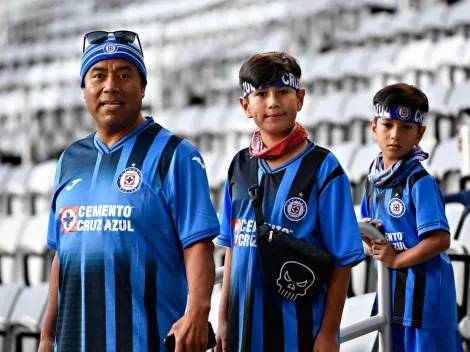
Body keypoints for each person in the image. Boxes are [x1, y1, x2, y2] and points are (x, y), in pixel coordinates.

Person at [38, 30, 220, 352]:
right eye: (98, 75)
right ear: (84, 90)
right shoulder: (69, 160)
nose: (110, 85)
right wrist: (47, 337)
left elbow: (199, 244)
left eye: (124, 74)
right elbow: (60, 256)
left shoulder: (175, 154)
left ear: (143, 87)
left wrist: (197, 310)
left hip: (148, 340)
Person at [214, 51, 365, 352]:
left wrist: (328, 333)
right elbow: (232, 248)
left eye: (283, 92)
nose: (273, 102)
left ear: (300, 98)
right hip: (242, 327)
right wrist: (223, 320)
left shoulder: (324, 167)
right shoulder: (239, 165)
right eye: (261, 94)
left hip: (301, 331)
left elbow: (342, 260)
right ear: (245, 106)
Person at [361, 83, 463, 351]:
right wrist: (370, 240)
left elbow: (440, 240)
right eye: (388, 125)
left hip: (427, 304)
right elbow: (366, 238)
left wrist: (395, 259)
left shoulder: (419, 182)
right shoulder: (372, 182)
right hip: (392, 297)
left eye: (406, 127)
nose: (395, 135)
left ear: (420, 133)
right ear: (374, 128)